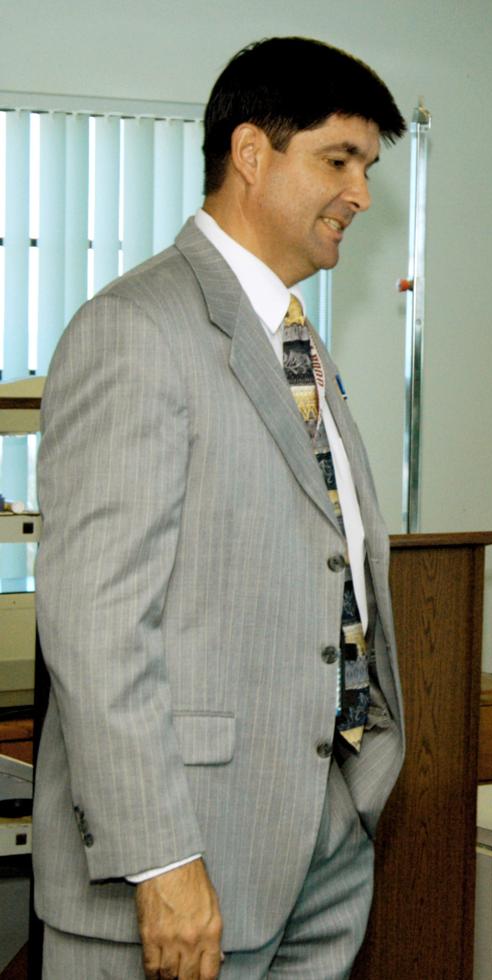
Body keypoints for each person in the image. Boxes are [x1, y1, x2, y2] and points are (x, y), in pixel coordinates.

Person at [34, 37, 406, 980]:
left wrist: (351, 800)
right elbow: (96, 621)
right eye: (338, 160)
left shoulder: (292, 334)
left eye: (367, 166)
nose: (360, 193)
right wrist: (162, 860)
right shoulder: (138, 329)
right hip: (178, 852)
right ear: (251, 154)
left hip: (320, 831)